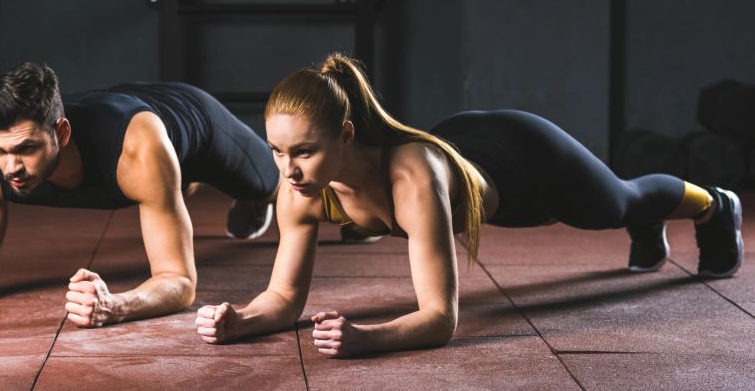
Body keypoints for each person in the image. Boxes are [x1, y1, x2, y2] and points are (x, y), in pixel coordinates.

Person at [194, 53, 744, 357]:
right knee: (617, 208)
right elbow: (285, 298)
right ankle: (653, 223)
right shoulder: (301, 192)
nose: (287, 171)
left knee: (617, 203)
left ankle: (716, 207)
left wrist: (370, 337)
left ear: (345, 134)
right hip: (465, 151)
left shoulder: (411, 178)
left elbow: (440, 317)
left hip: (523, 158)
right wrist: (240, 320)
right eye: (277, 151)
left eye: (305, 152)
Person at [0, 63, 279, 327]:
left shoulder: (137, 150)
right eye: (1, 150)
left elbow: (179, 281)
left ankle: (231, 191)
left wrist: (115, 306)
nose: (11, 167)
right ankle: (176, 188)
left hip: (194, 120)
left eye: (26, 149)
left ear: (61, 134)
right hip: (136, 132)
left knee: (280, 186)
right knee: (163, 186)